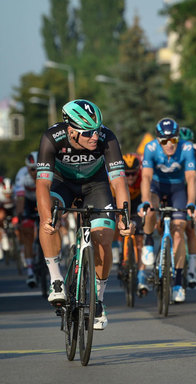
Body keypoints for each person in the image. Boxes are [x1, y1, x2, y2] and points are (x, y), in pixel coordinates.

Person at [36, 99, 133, 330]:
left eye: (97, 131)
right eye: (88, 132)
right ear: (71, 131)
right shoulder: (52, 139)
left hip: (95, 186)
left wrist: (125, 217)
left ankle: (98, 300)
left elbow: (119, 182)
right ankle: (57, 280)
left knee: (103, 239)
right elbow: (42, 185)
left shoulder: (107, 138)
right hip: (62, 185)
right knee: (50, 215)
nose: (95, 137)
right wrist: (46, 217)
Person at [137, 117, 196, 304]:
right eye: (164, 141)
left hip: (178, 188)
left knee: (179, 231)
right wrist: (145, 201)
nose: (169, 144)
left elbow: (191, 179)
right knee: (150, 210)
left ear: (177, 138)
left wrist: (191, 203)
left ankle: (179, 283)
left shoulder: (186, 149)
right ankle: (148, 240)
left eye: (173, 139)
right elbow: (146, 178)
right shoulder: (150, 149)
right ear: (158, 140)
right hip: (157, 186)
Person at [116, 152, 149, 295]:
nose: (130, 177)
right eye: (127, 174)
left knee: (140, 240)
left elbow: (146, 197)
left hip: (136, 205)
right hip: (118, 202)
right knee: (114, 225)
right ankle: (118, 253)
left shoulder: (142, 178)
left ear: (138, 171)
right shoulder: (117, 178)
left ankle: (141, 277)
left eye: (133, 174)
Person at [179, 127, 196, 288]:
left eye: (189, 143)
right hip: (173, 190)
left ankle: (191, 271)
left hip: (189, 192)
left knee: (189, 229)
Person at [14, 152, 38, 287]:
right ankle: (30, 271)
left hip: (42, 199)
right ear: (27, 168)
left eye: (38, 168)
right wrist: (20, 214)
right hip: (28, 202)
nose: (35, 172)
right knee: (27, 232)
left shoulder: (47, 172)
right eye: (32, 169)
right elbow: (20, 198)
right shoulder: (21, 175)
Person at [0, 177, 16, 261]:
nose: (8, 195)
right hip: (3, 209)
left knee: (17, 221)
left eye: (10, 193)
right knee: (1, 216)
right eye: (6, 193)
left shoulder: (16, 191)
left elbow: (20, 205)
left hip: (13, 209)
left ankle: (17, 244)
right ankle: (4, 235)